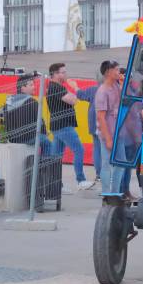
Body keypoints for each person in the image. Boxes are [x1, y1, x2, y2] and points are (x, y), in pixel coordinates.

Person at [45, 63, 89, 192]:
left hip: (58, 125)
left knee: (56, 156)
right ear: (55, 74)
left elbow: (72, 99)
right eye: (63, 72)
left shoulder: (56, 87)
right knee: (79, 150)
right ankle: (81, 180)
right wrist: (74, 88)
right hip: (63, 126)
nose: (66, 74)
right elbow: (74, 100)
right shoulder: (56, 88)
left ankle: (56, 185)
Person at [93, 60, 125, 194]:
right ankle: (106, 194)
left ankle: (115, 192)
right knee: (106, 163)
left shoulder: (116, 86)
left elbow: (122, 99)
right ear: (108, 72)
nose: (119, 72)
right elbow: (101, 117)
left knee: (121, 163)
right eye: (116, 70)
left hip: (118, 132)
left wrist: (122, 83)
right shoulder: (102, 91)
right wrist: (108, 139)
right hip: (108, 133)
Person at [2, 73, 53, 155]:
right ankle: (45, 162)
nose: (34, 87)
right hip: (28, 137)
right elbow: (40, 122)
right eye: (31, 85)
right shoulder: (32, 102)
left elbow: (5, 121)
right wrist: (45, 133)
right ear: (22, 88)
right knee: (48, 143)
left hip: (13, 138)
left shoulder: (9, 101)